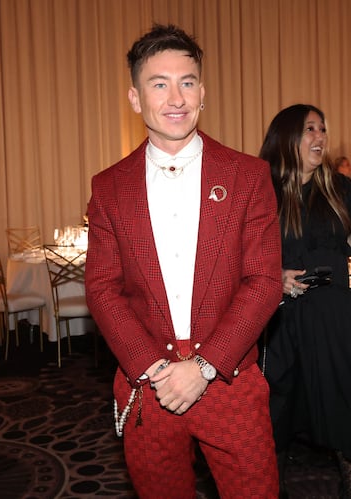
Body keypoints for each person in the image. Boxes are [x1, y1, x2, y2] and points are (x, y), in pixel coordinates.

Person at [85, 24, 282, 499]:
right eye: (159, 83)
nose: (176, 97)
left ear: (203, 92)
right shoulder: (109, 186)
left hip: (229, 379)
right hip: (147, 386)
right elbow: (102, 288)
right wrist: (149, 366)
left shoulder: (249, 176)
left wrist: (206, 366)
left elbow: (264, 281)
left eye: (187, 82)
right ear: (135, 98)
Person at [259, 104, 351, 498]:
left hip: (333, 316)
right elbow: (236, 255)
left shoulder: (340, 188)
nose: (320, 136)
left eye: (322, 129)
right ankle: (267, 487)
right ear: (286, 137)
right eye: (309, 128)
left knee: (342, 400)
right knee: (275, 408)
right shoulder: (261, 191)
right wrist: (273, 278)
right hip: (279, 318)